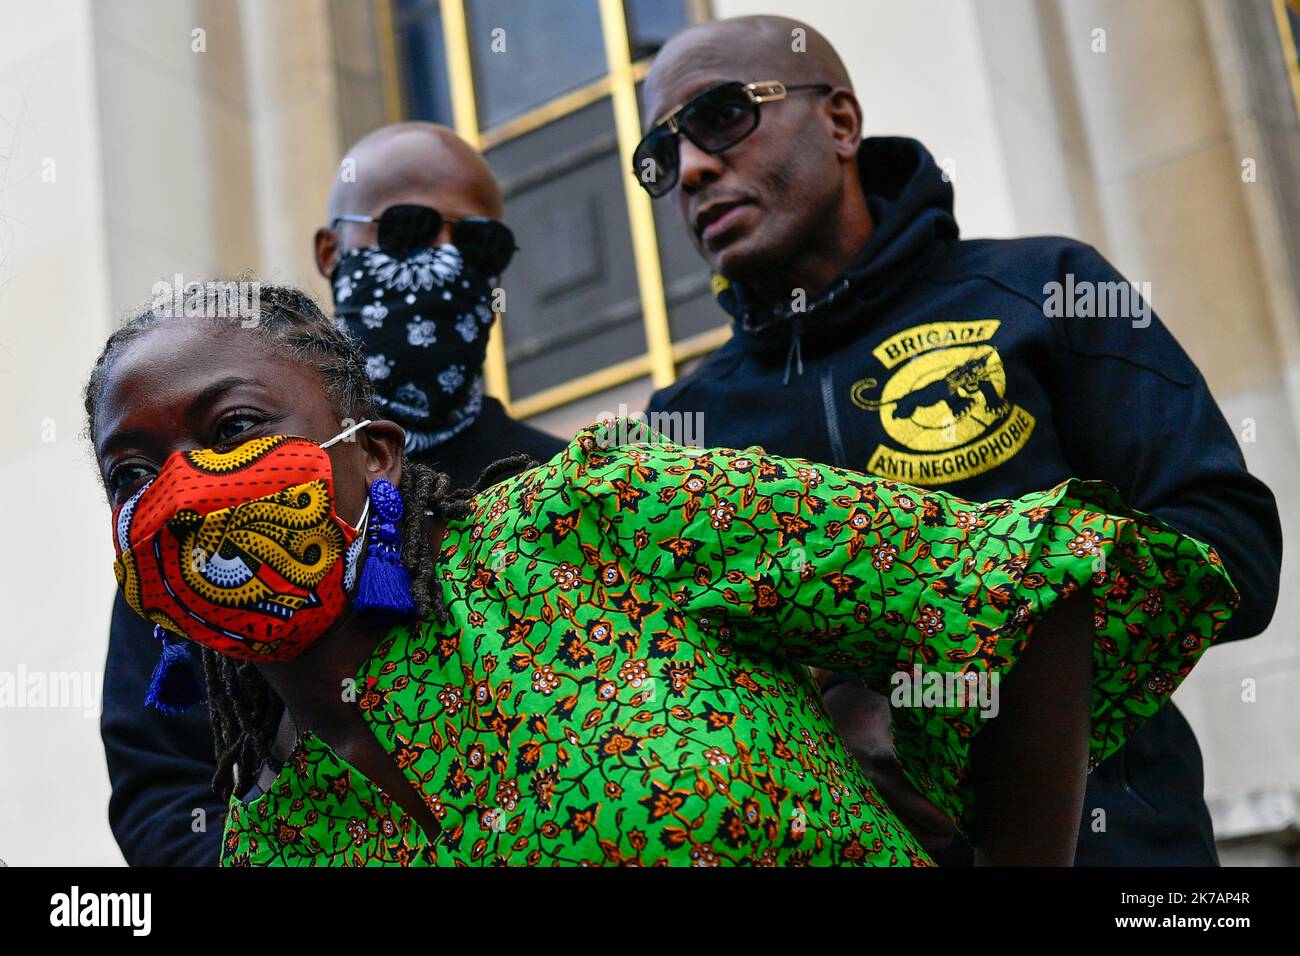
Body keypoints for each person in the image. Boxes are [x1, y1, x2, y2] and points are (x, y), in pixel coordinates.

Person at [85, 282, 1235, 866]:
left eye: (232, 427)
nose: (185, 489)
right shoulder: (273, 842)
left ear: (374, 455)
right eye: (131, 469)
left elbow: (1028, 576)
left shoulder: (596, 517)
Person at [638, 15, 1282, 864]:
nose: (692, 169)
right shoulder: (682, 432)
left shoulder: (1049, 287)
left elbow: (1231, 549)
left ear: (839, 122)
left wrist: (939, 692)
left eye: (722, 116)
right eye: (660, 157)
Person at [99, 122, 564, 865]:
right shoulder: (190, 516)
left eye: (477, 244)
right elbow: (163, 790)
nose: (442, 263)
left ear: (379, 456)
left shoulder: (558, 483)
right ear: (331, 252)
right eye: (407, 231)